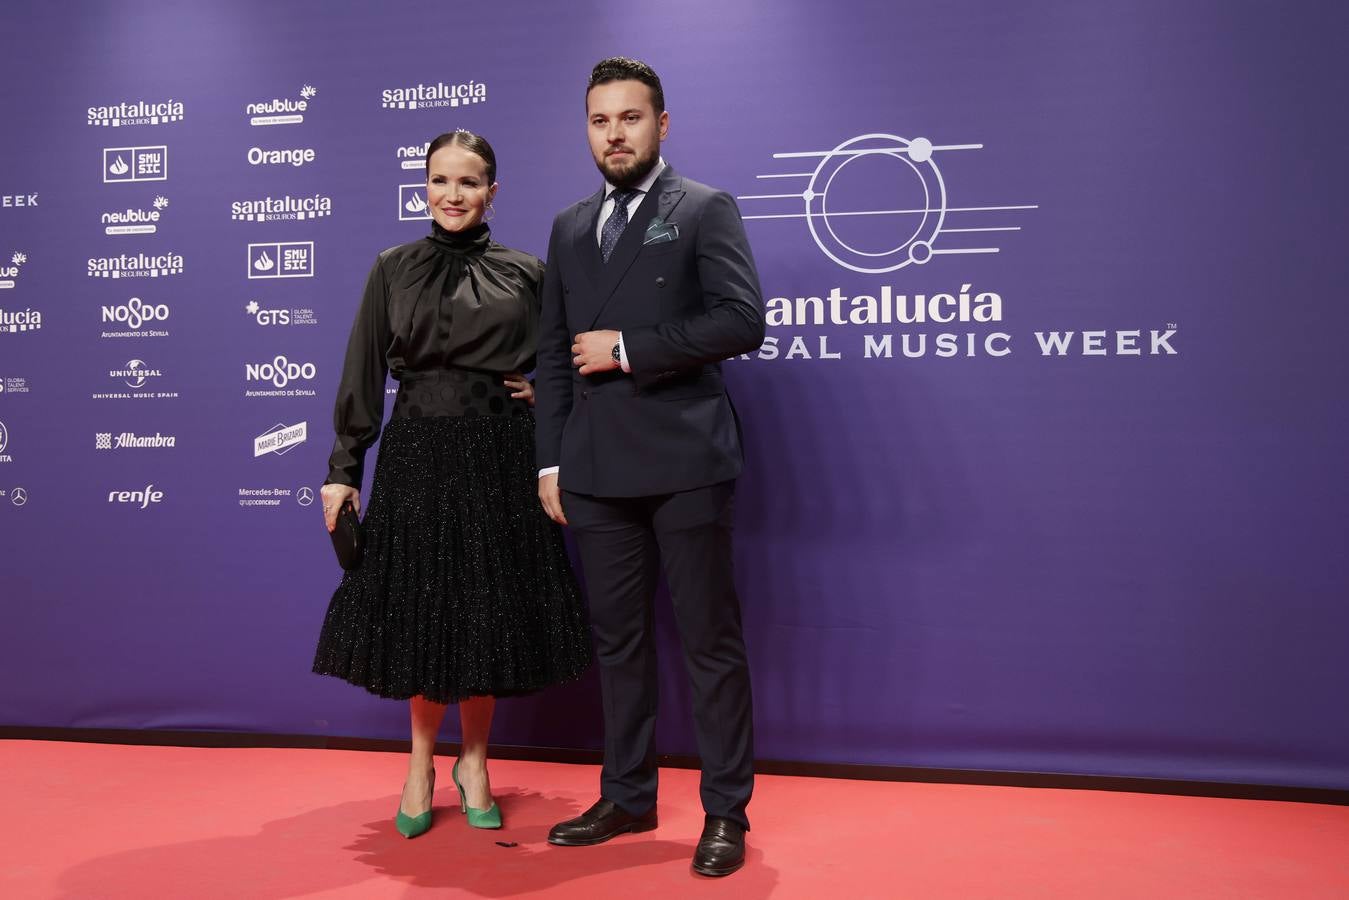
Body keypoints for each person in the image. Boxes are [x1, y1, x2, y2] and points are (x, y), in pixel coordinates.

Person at [313, 130, 591, 839]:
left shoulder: (526, 270)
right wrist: (343, 470)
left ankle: (475, 762)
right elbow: (362, 374)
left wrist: (546, 395)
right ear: (424, 187)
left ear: (492, 191)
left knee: (483, 611)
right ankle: (418, 766)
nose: (452, 195)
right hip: (415, 455)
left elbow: (565, 361)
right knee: (421, 611)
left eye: (468, 182)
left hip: (499, 453)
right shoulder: (392, 268)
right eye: (440, 180)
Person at [534, 58, 766, 877]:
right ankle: (627, 795)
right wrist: (550, 464)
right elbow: (553, 359)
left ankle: (724, 813)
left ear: (660, 125)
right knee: (618, 643)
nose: (614, 134)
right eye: (600, 121)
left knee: (709, 642)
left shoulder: (703, 207)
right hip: (593, 471)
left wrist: (629, 350)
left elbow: (742, 320)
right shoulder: (567, 226)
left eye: (630, 118)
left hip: (685, 460)